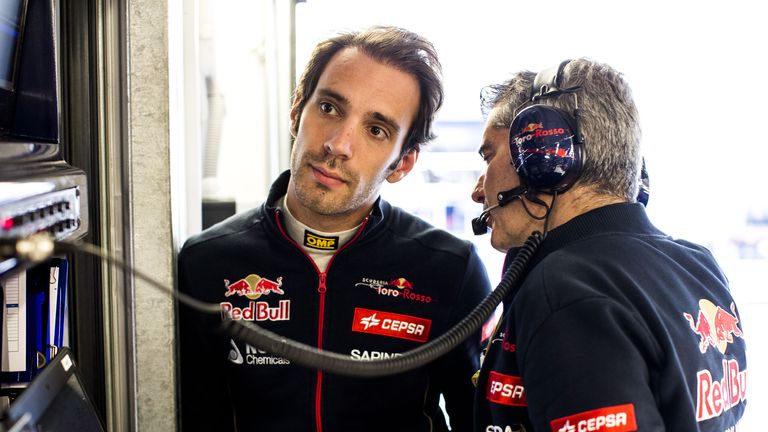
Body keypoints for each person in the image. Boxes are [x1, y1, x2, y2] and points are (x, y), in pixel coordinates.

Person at [177, 26, 492, 432]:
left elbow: (478, 421)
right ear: (296, 111)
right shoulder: (205, 262)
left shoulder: (451, 269)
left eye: (376, 130)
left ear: (403, 164)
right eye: (329, 108)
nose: (338, 144)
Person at [470, 58, 747, 431]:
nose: (477, 190)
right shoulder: (697, 264)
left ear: (543, 155)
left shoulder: (567, 288)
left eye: (489, 156)